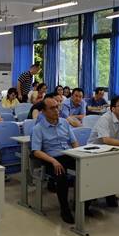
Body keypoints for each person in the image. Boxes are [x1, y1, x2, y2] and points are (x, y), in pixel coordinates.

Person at [31, 95, 92, 224]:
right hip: (52, 158)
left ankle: (83, 205)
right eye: (52, 108)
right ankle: (65, 210)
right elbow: (36, 151)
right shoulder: (38, 128)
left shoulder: (64, 122)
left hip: (69, 154)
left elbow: (74, 142)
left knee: (89, 170)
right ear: (44, 112)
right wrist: (53, 161)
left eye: (57, 107)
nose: (56, 110)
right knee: (61, 177)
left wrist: (79, 154)